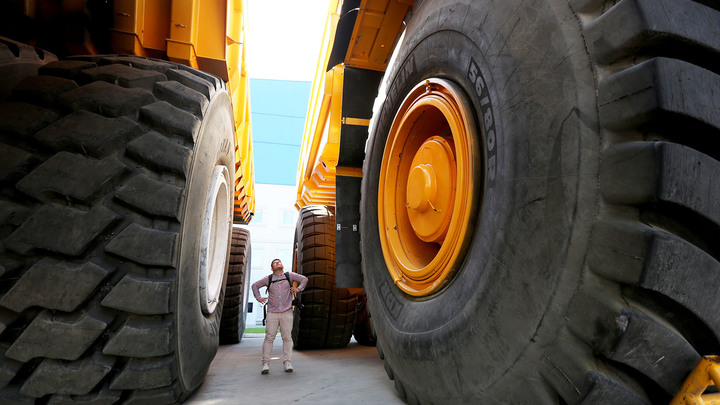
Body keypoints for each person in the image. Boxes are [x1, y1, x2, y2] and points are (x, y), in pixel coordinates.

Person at [251, 258, 308, 374]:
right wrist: (258, 298)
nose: (278, 263)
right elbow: (255, 285)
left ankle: (287, 362)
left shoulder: (289, 276)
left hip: (287, 312)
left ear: (282, 266)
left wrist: (298, 289)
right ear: (272, 268)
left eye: (280, 262)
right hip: (272, 313)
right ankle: (265, 364)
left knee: (287, 337)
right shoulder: (269, 279)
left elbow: (304, 279)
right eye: (275, 263)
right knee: (269, 338)